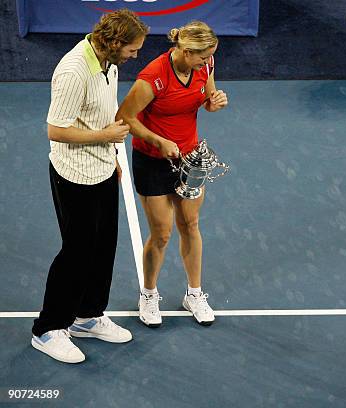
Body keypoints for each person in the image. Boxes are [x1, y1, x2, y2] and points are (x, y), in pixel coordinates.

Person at [31, 9, 149, 364]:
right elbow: (55, 129)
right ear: (114, 43)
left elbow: (99, 112)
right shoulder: (73, 70)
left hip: (100, 169)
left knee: (103, 248)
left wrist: (111, 155)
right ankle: (48, 329)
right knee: (76, 253)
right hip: (73, 176)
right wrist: (104, 137)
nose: (135, 55)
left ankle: (87, 316)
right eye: (133, 49)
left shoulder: (109, 63)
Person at [116, 21, 228, 328]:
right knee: (162, 233)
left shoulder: (206, 66)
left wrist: (214, 102)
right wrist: (158, 141)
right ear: (188, 52)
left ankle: (194, 293)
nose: (208, 63)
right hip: (151, 160)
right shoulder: (153, 77)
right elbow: (124, 117)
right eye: (203, 58)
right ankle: (149, 294)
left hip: (190, 158)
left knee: (190, 224)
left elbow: (206, 98)